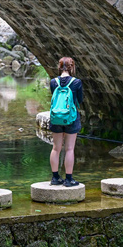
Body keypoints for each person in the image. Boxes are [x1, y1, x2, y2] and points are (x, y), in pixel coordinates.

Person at [48, 57, 83, 187]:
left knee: (56, 148)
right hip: (71, 118)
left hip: (56, 118)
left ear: (59, 67)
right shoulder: (76, 82)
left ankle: (55, 178)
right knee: (69, 149)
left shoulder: (53, 82)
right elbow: (80, 100)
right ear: (72, 67)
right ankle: (69, 179)